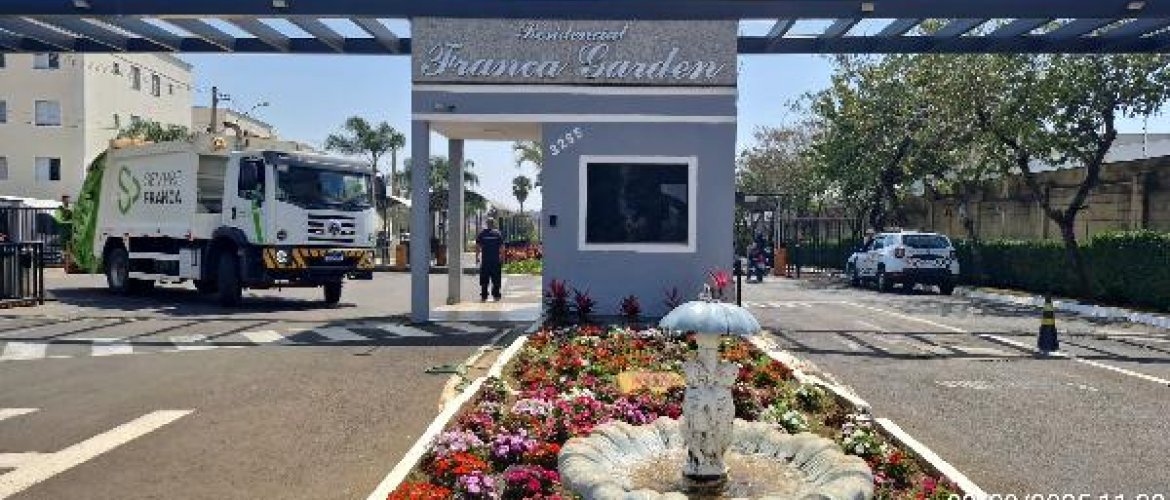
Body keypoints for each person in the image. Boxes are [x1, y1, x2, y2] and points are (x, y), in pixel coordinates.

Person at [475, 218, 504, 301]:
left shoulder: (482, 234)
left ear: (487, 224)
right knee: (496, 279)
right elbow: (502, 247)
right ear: (493, 224)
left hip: (485, 260)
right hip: (495, 260)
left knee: (484, 279)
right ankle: (496, 295)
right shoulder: (497, 234)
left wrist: (477, 257)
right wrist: (502, 257)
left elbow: (478, 246)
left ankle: (484, 296)